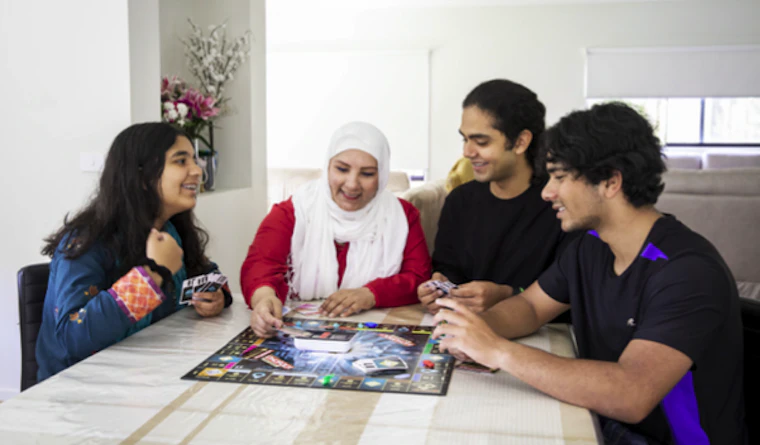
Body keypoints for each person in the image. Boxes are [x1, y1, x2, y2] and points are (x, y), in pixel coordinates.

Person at [433, 102, 746, 444]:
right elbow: (531, 307)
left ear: (611, 181)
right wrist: (475, 333)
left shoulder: (689, 272)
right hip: (602, 422)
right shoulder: (591, 246)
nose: (546, 192)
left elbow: (631, 393)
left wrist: (496, 350)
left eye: (560, 177)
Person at [36, 123, 233, 382]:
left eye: (194, 161)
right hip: (82, 394)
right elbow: (72, 338)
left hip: (149, 377)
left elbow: (210, 275)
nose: (197, 171)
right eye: (181, 161)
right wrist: (153, 274)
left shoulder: (170, 230)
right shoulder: (86, 241)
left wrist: (218, 297)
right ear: (141, 177)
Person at [242, 122, 431, 337]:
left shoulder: (402, 216)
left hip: (372, 337)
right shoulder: (295, 211)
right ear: (328, 166)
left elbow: (418, 277)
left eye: (367, 174)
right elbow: (260, 265)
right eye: (342, 169)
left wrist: (371, 294)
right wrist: (264, 298)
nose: (351, 184)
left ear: (382, 175)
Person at [418, 79, 571, 315]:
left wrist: (507, 294)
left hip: (541, 336)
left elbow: (570, 293)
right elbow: (449, 269)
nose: (467, 152)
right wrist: (439, 286)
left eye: (481, 142)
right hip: (465, 331)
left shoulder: (562, 206)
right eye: (465, 139)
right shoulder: (460, 201)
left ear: (521, 142)